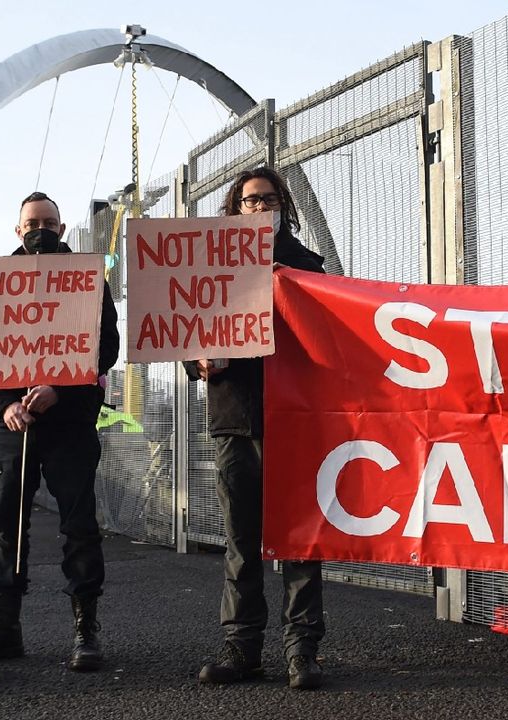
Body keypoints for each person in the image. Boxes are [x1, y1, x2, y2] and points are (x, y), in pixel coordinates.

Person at [186, 167, 328, 690]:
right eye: (250, 201)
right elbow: (190, 334)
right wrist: (197, 360)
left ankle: (302, 651)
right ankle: (243, 649)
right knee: (241, 542)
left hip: (295, 421)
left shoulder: (307, 267)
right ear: (235, 209)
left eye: (268, 199)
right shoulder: (212, 264)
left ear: (283, 205)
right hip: (234, 418)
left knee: (299, 540)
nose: (260, 207)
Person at [0, 191, 120, 672]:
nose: (40, 229)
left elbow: (105, 349)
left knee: (79, 527)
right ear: (18, 230)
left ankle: (85, 628)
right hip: (12, 425)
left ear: (62, 230)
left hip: (70, 424)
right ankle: (5, 625)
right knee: (6, 529)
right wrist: (4, 405)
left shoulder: (86, 278)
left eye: (48, 222)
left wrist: (60, 390)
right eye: (32, 222)